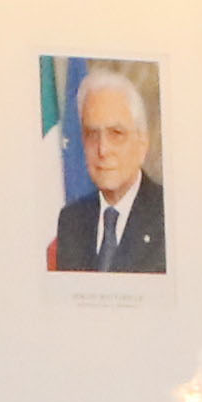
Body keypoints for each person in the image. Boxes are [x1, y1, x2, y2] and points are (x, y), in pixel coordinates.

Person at [46, 63, 167, 273]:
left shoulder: (167, 215)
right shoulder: (71, 221)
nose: (102, 149)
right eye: (92, 134)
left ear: (142, 144)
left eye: (116, 134)